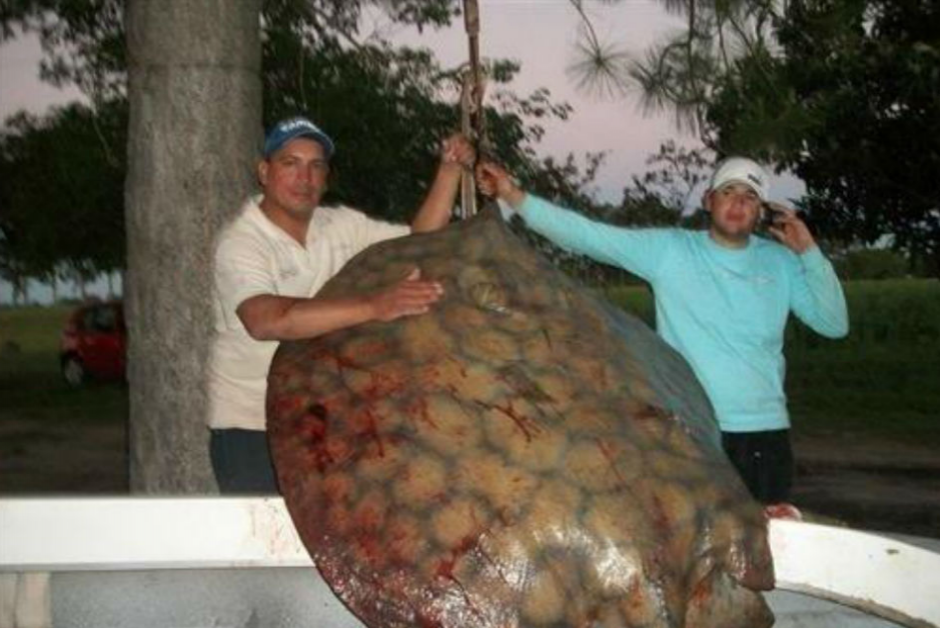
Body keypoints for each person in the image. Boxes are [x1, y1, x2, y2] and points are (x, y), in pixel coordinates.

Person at [476, 157, 849, 507]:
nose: (738, 203)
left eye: (750, 196)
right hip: (689, 429)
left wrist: (809, 252)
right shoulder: (670, 250)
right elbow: (589, 237)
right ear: (708, 200)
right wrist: (513, 195)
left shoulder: (781, 262)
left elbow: (833, 324)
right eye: (728, 192)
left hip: (764, 432)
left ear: (760, 210)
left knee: (767, 541)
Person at [208, 116, 474, 493]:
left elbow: (419, 242)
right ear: (264, 172)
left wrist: (449, 172)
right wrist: (375, 306)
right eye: (290, 163)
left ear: (326, 178)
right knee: (264, 531)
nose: (304, 178)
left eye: (316, 166)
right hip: (251, 425)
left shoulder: (341, 225)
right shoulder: (241, 242)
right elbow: (264, 320)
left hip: (325, 419)